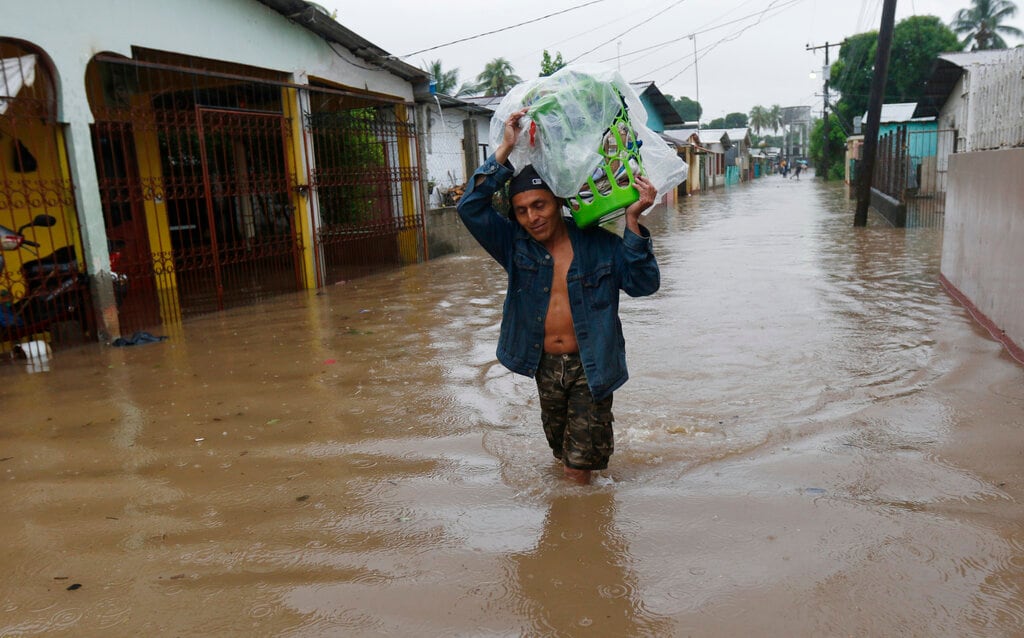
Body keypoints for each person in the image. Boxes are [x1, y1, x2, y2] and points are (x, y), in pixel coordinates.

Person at [457, 107, 659, 485]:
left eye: (539, 205)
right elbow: (469, 207)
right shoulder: (514, 246)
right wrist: (505, 148)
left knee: (576, 469)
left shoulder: (601, 244)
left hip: (592, 364)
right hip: (543, 366)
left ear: (558, 203)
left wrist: (633, 223)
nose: (532, 217)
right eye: (521, 211)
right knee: (561, 451)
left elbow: (644, 285)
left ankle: (580, 532)